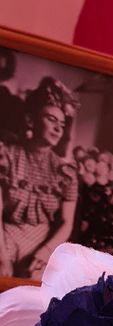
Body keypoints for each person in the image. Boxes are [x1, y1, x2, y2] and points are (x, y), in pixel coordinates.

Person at [0, 76, 79, 279]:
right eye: (51, 119)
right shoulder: (7, 155)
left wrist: (45, 252)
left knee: (36, 283)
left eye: (61, 124)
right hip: (3, 234)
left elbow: (66, 223)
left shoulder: (66, 172)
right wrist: (3, 257)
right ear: (31, 120)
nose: (57, 129)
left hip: (42, 241)